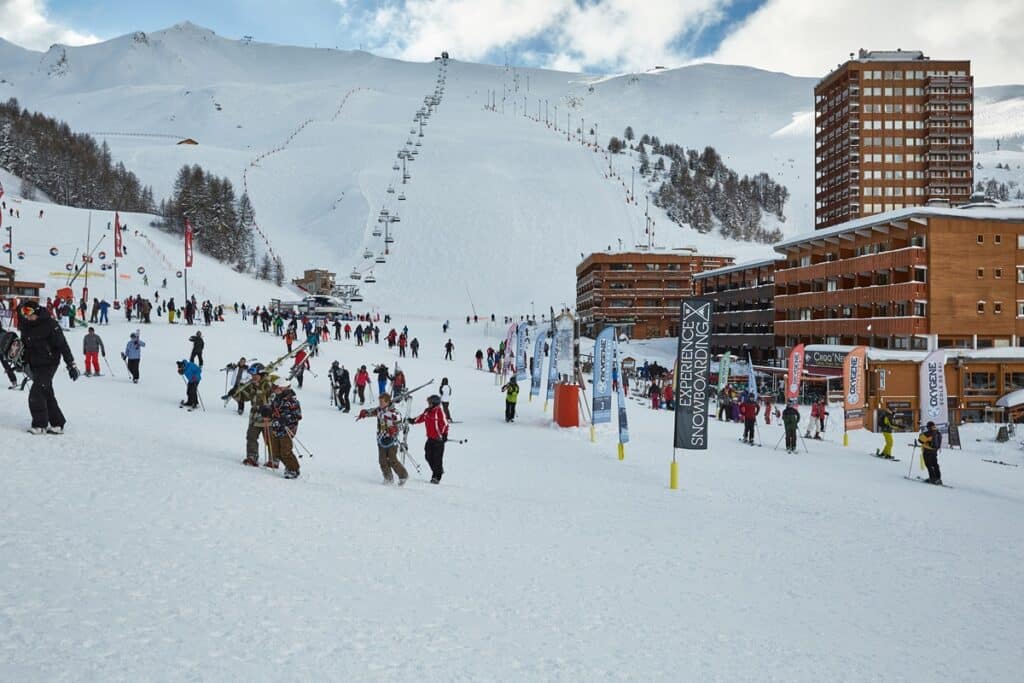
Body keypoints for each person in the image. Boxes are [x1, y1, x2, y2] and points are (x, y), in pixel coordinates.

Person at [18, 301, 79, 433]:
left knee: (36, 393)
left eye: (29, 312)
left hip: (49, 363)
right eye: (24, 313)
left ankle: (40, 425)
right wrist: (22, 361)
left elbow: (63, 345)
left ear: (37, 311)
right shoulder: (26, 325)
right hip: (34, 364)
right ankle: (57, 423)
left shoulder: (50, 324)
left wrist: (71, 365)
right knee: (46, 392)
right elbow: (24, 346)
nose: (26, 316)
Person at [357, 392, 409, 485]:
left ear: (387, 402)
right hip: (381, 439)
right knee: (382, 460)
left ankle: (403, 476)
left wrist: (394, 429)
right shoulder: (380, 410)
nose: (380, 404)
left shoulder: (395, 413)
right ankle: (388, 478)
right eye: (379, 402)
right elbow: (372, 411)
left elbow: (402, 426)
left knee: (392, 459)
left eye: (382, 402)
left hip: (392, 441)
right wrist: (365, 412)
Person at [260, 380, 302, 479]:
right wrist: (266, 410)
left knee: (285, 451)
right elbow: (272, 410)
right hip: (275, 427)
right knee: (275, 451)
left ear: (283, 388)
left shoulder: (292, 401)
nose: (274, 390)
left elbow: (298, 416)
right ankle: (288, 466)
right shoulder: (276, 399)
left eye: (276, 388)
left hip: (287, 429)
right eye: (274, 388)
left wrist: (286, 418)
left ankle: (293, 469)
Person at [409, 394, 449, 484]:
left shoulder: (439, 412)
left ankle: (436, 476)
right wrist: (413, 421)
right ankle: (438, 470)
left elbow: (445, 424)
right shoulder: (427, 411)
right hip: (430, 439)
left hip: (438, 440)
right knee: (428, 456)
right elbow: (422, 417)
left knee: (437, 459)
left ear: (434, 403)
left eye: (430, 403)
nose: (428, 405)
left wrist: (444, 435)